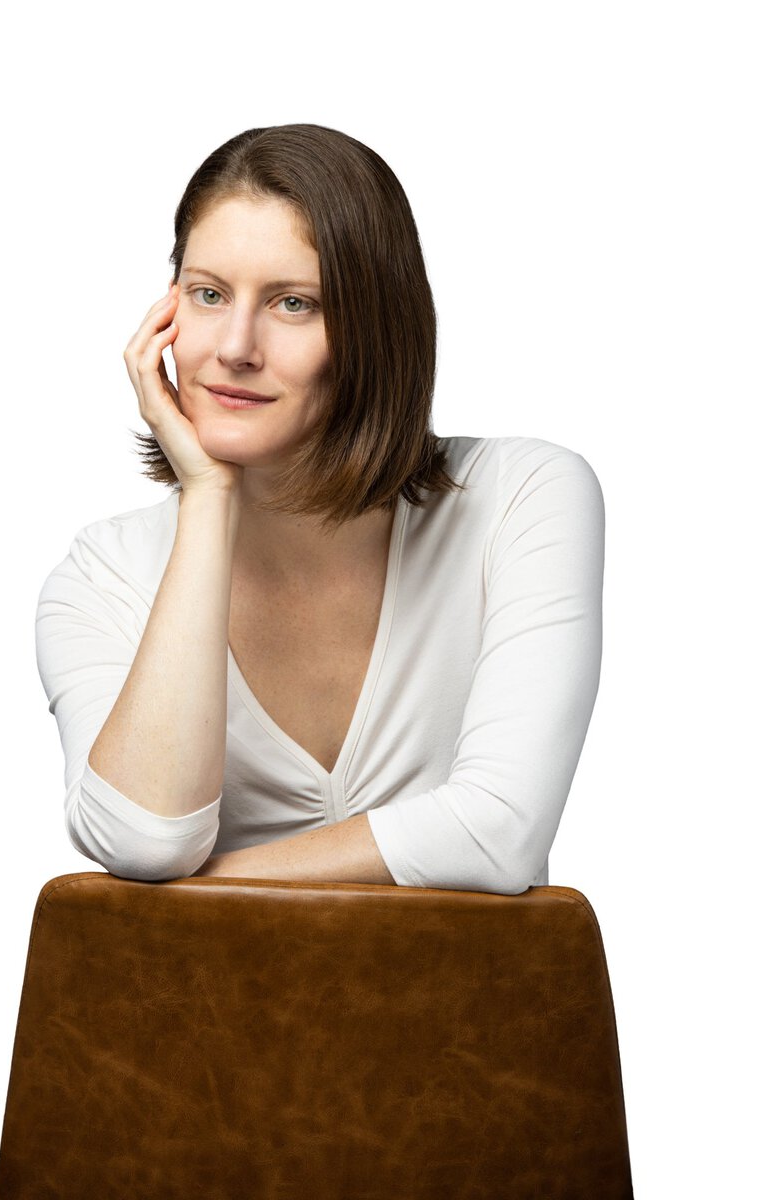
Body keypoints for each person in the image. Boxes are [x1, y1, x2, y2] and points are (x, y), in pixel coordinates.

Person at [35, 123, 605, 895]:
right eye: (208, 294)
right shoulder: (101, 577)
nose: (235, 346)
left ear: (373, 329)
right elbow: (143, 839)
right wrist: (207, 495)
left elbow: (496, 829)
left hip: (477, 1015)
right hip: (208, 1020)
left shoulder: (522, 498)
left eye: (294, 303)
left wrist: (188, 901)